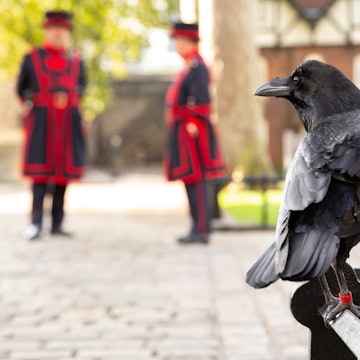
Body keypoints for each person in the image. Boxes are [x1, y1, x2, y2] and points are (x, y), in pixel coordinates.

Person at [16, 10, 87, 240]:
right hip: (42, 124)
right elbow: (21, 89)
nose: (58, 34)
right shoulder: (32, 58)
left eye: (62, 30)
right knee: (39, 174)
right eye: (53, 30)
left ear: (67, 33)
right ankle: (36, 222)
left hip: (67, 124)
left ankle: (58, 222)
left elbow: (82, 88)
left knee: (62, 175)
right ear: (46, 31)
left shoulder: (77, 60)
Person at [164, 21, 226, 244]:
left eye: (178, 40)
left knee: (196, 179)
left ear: (186, 41)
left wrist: (192, 124)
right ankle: (197, 226)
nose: (176, 45)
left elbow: (201, 101)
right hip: (185, 130)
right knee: (191, 180)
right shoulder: (190, 65)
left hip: (192, 132)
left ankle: (201, 229)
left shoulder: (197, 66)